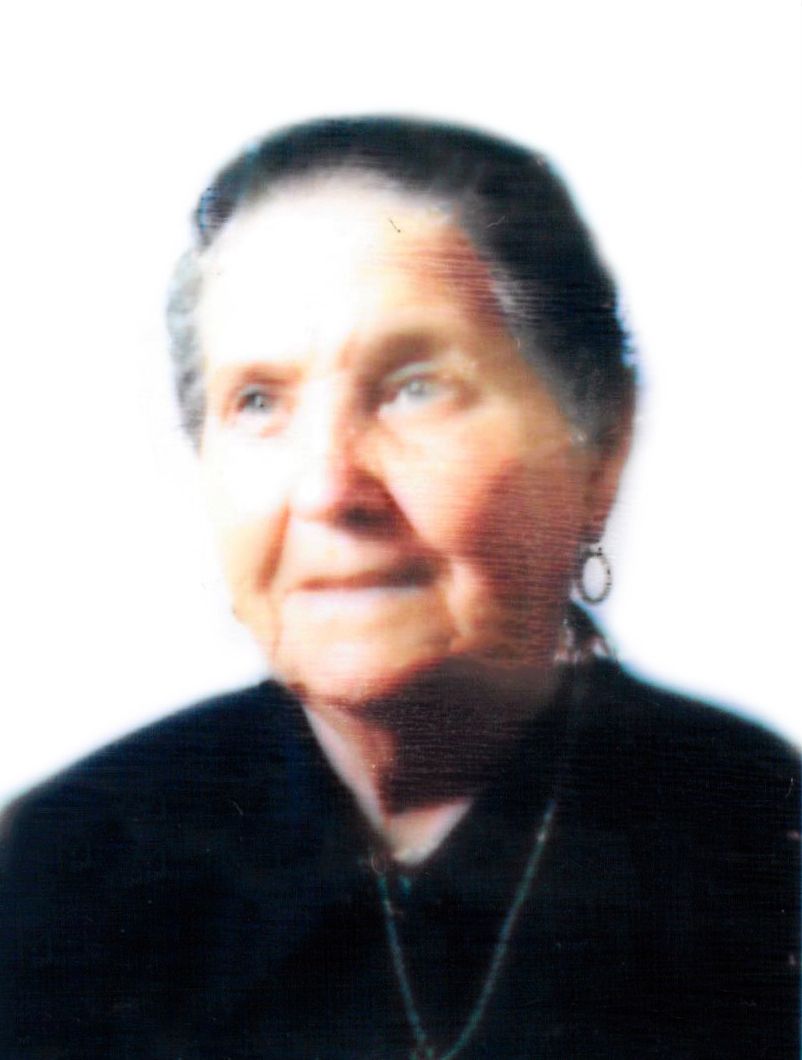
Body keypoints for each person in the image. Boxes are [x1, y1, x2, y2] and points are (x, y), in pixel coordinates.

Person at [0, 117, 798, 1059]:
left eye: (416, 386)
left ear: (598, 446)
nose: (328, 488)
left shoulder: (765, 851)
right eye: (258, 401)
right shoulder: (57, 871)